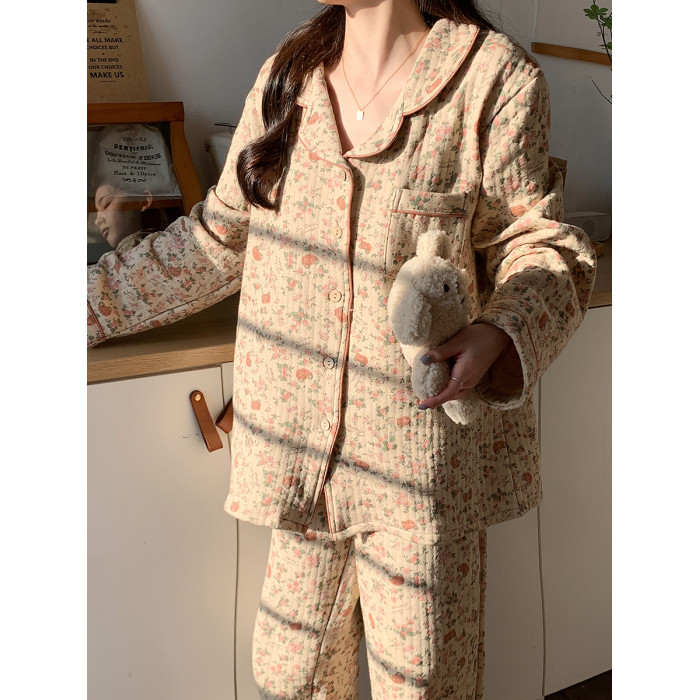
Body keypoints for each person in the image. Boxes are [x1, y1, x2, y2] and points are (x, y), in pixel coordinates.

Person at [87, 0, 596, 697]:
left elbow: (539, 245)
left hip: (417, 473)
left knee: (425, 685)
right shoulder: (288, 77)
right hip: (301, 467)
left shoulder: (491, 79)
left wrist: (497, 332)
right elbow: (216, 239)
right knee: (289, 676)